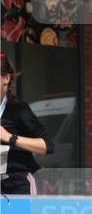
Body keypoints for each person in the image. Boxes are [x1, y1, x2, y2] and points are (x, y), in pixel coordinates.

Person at [0, 54, 54, 195]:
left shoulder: (18, 108)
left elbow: (47, 145)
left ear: (6, 78)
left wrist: (10, 137)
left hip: (17, 187)